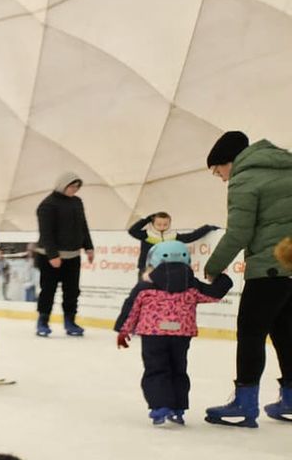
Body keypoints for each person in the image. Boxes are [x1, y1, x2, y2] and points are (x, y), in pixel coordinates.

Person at [202, 130, 292, 426]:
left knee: (251, 332)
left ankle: (245, 401)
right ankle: (291, 397)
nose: (223, 179)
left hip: (268, 268)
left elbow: (240, 232)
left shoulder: (245, 178)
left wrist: (213, 266)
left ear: (228, 162)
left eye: (218, 172)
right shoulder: (286, 167)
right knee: (286, 333)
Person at [113, 240, 231, 427]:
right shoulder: (191, 283)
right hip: (181, 334)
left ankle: (160, 406)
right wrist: (223, 277)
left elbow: (132, 307)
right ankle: (178, 408)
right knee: (178, 369)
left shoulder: (146, 284)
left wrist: (123, 330)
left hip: (153, 334)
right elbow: (215, 294)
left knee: (156, 369)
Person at [34, 173, 94, 337]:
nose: (74, 190)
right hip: (49, 257)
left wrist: (89, 247)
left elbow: (83, 226)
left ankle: (70, 321)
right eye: (72, 186)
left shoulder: (77, 202)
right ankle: (43, 320)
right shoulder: (47, 205)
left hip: (73, 256)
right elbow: (46, 233)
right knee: (48, 290)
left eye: (77, 187)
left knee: (72, 291)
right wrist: (53, 255)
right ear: (62, 185)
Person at [128, 210, 216, 275]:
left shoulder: (173, 236)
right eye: (159, 224)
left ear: (169, 223)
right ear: (153, 223)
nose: (162, 227)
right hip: (146, 269)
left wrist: (207, 228)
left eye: (165, 224)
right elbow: (132, 231)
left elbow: (190, 237)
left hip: (166, 270)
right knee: (144, 292)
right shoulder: (146, 235)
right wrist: (146, 219)